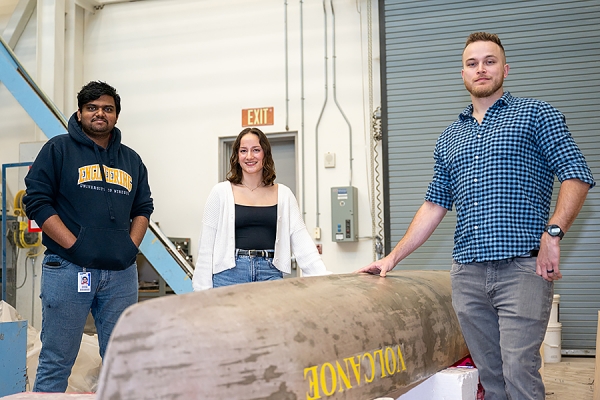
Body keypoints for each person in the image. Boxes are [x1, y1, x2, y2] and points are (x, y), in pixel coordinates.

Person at [356, 32, 594, 400]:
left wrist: (553, 233)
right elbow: (435, 204)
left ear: (505, 69)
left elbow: (576, 174)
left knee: (519, 370)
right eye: (472, 63)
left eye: (489, 61)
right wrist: (393, 256)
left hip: (522, 271)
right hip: (467, 274)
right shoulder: (450, 137)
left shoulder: (536, 115)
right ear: (462, 73)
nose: (480, 69)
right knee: (491, 376)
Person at [24, 81, 154, 392]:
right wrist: (75, 245)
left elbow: (143, 207)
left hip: (120, 273)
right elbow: (37, 202)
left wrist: (129, 247)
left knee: (121, 361)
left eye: (107, 109)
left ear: (116, 116)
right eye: (92, 108)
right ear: (80, 113)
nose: (100, 114)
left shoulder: (131, 160)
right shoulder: (57, 149)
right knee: (57, 360)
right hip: (68, 267)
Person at [192, 127, 329, 290]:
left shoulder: (284, 194)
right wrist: (201, 289)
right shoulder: (220, 193)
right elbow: (206, 246)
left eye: (256, 150)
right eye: (243, 151)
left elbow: (302, 241)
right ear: (237, 156)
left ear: (265, 154)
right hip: (229, 276)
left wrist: (324, 278)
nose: (249, 156)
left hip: (270, 274)